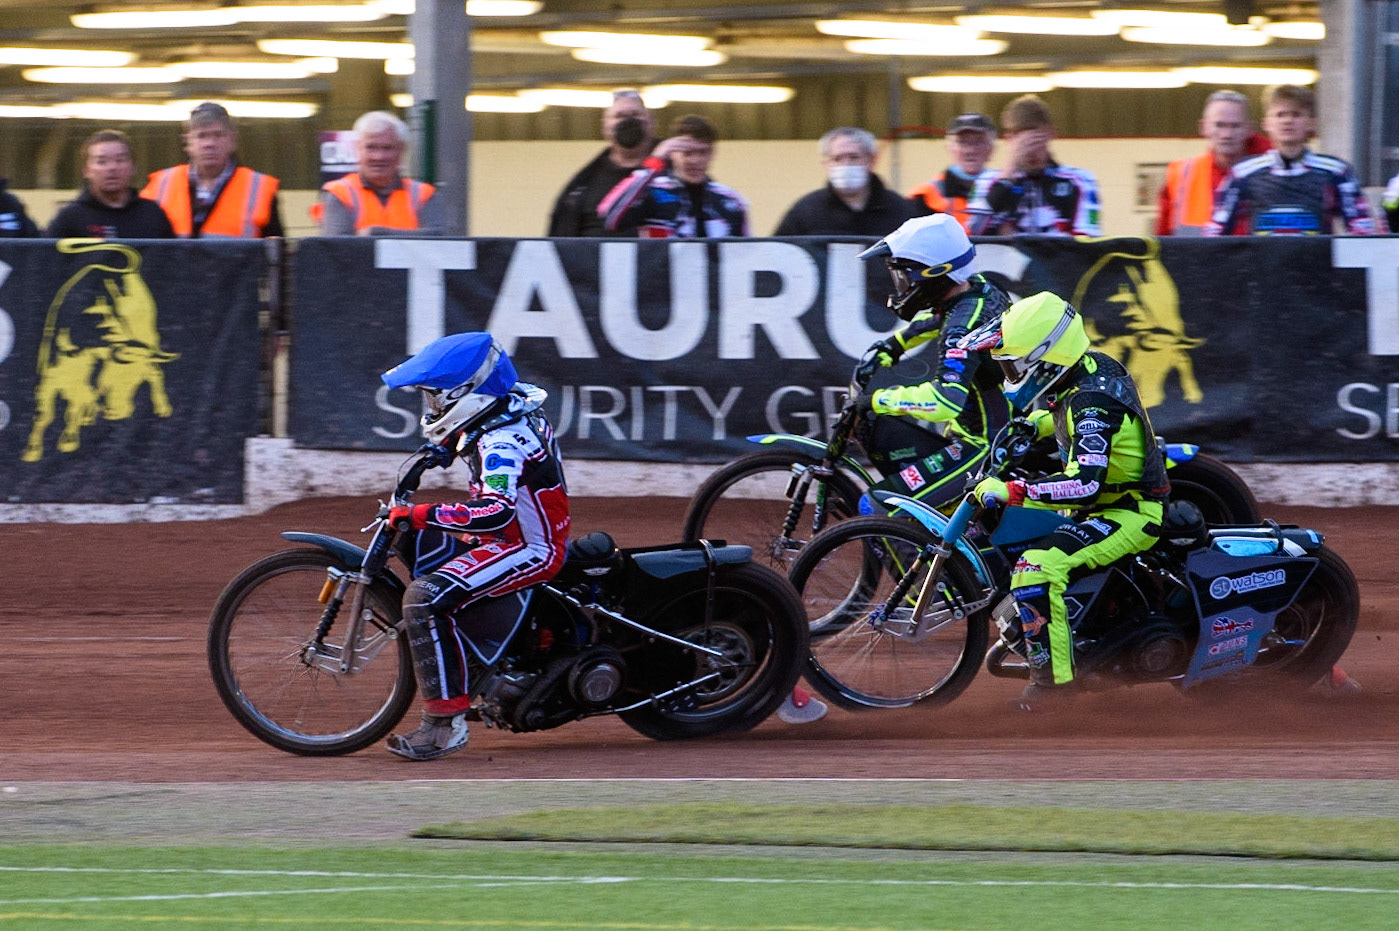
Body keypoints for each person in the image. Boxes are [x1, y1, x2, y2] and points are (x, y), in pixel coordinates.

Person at [966, 292, 1169, 711]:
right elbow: (1068, 419)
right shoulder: (1088, 369)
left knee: (1036, 567)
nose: (1007, 372)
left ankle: (1054, 690)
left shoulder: (1090, 403)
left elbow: (1084, 485)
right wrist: (1036, 426)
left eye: (1012, 364)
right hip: (1107, 502)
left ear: (1046, 359)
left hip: (1128, 511)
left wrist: (1012, 491)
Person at [380, 332, 570, 760]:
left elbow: (496, 511)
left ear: (466, 394)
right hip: (505, 537)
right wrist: (448, 447)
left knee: (424, 597)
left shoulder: (501, 443)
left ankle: (445, 726)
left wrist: (422, 513)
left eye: (436, 399)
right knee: (424, 551)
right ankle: (474, 653)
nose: (432, 409)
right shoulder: (508, 405)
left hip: (528, 547)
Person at [850, 213, 1013, 509]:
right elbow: (939, 315)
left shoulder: (962, 327)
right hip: (992, 431)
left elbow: (945, 401)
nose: (902, 285)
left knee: (874, 505)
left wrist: (876, 401)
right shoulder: (977, 289)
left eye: (905, 275)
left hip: (983, 446)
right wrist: (896, 344)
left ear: (936, 272)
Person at [1206, 84, 1376, 236]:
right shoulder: (1243, 172)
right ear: (1266, 123)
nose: (1287, 121)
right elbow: (1215, 233)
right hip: (1263, 269)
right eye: (1280, 115)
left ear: (1312, 123)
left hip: (1316, 268)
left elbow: (1362, 231)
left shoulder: (1337, 171)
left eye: (1296, 114)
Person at [141, 102, 283, 238]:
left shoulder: (260, 189)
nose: (210, 144)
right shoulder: (159, 186)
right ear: (187, 142)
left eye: (218, 135)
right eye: (201, 136)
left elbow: (276, 254)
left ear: (232, 140)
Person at [597, 114, 749, 238]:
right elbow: (609, 218)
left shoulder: (731, 200)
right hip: (661, 275)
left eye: (702, 152)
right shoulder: (651, 192)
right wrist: (654, 162)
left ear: (712, 154)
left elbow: (747, 255)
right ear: (672, 153)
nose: (695, 161)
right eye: (687, 153)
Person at [970, 95, 1101, 237]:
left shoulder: (1080, 180)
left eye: (1036, 142)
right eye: (1023, 145)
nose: (1030, 153)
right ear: (1009, 139)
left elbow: (1087, 240)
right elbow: (974, 231)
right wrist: (1008, 173)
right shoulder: (986, 181)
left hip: (1057, 259)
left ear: (1050, 133)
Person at [1156, 91, 1269, 236]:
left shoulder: (1273, 174)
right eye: (1219, 125)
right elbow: (1161, 241)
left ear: (1249, 129)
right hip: (1196, 258)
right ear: (1204, 127)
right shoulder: (1179, 175)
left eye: (1235, 126)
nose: (1227, 134)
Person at [548, 89, 657, 237]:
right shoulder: (583, 183)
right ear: (605, 127)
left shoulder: (676, 170)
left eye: (635, 114)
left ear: (651, 122)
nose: (628, 121)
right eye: (619, 116)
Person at [772, 127, 918, 236]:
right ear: (826, 163)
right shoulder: (805, 211)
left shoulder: (900, 209)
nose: (845, 164)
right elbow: (776, 255)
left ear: (871, 160)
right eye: (838, 158)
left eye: (853, 157)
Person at [319, 110, 439, 235]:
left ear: (401, 151)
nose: (379, 157)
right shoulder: (339, 194)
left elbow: (435, 241)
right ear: (357, 149)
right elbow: (337, 249)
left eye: (387, 148)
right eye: (370, 147)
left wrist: (375, 234)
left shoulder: (423, 194)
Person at [45, 129, 175, 239]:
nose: (112, 167)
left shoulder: (153, 215)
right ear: (86, 170)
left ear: (133, 167)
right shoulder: (70, 218)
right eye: (102, 162)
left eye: (120, 160)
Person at [908, 113, 999, 233]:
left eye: (978, 142)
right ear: (949, 148)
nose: (970, 150)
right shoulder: (925, 195)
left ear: (992, 149)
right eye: (962, 142)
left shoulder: (1004, 190)